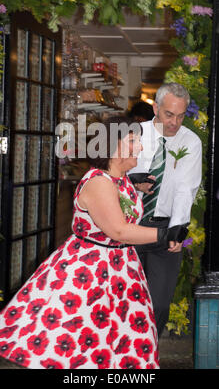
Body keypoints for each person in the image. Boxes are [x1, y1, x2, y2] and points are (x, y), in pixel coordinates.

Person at [0, 115, 187, 369]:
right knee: (85, 343)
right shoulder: (99, 182)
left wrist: (133, 183)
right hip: (90, 275)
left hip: (120, 270)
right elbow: (118, 231)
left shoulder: (118, 179)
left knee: (116, 341)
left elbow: (119, 210)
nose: (141, 147)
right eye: (134, 141)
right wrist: (165, 235)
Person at [129, 83, 202, 337]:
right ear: (156, 108)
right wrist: (130, 180)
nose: (175, 122)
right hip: (129, 227)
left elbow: (186, 188)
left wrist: (178, 229)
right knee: (126, 300)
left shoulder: (190, 142)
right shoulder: (133, 133)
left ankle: (147, 353)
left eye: (181, 116)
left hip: (166, 228)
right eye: (169, 114)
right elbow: (110, 171)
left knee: (158, 304)